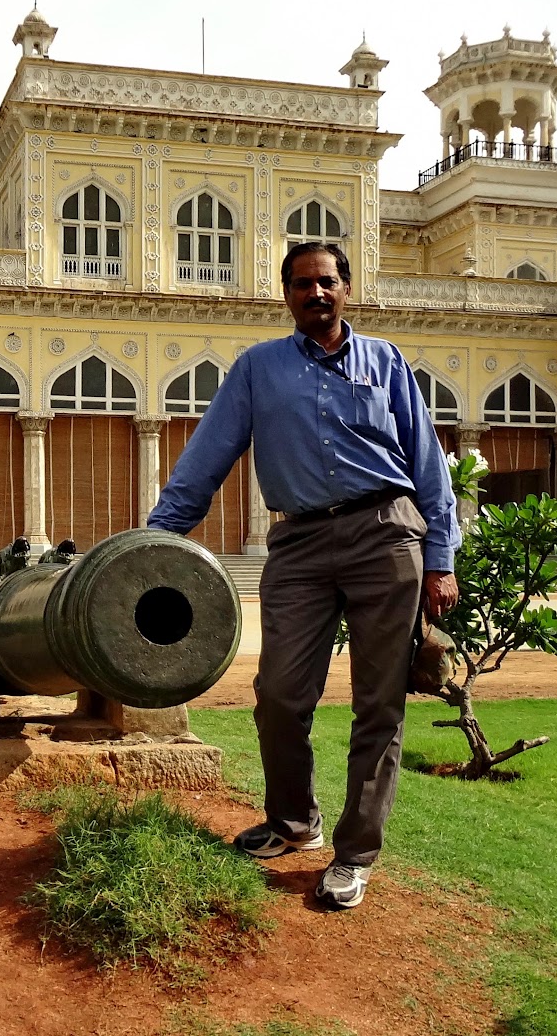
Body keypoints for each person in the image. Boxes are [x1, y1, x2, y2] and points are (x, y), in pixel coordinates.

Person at [146, 241, 461, 912]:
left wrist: (441, 557)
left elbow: (427, 460)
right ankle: (295, 821)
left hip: (386, 534)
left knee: (379, 704)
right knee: (280, 695)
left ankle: (355, 855)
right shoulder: (258, 370)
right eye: (301, 285)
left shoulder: (386, 362)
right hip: (298, 543)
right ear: (285, 295)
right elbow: (208, 456)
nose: (315, 293)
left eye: (327, 282)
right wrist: (156, 538)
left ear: (347, 288)